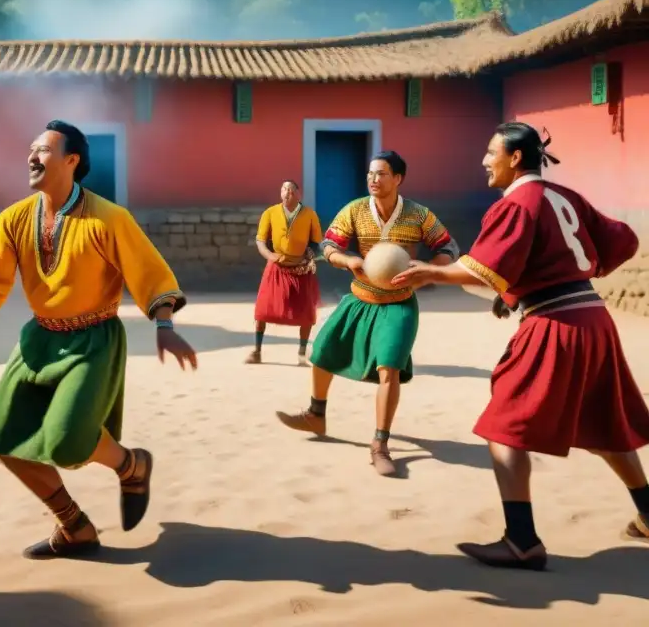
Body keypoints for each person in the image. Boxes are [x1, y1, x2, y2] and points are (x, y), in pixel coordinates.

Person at [0, 120, 197, 560]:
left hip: (93, 340)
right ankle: (74, 527)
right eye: (30, 148)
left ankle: (132, 465)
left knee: (68, 442)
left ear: (72, 161)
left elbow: (148, 273)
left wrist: (164, 326)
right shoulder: (15, 218)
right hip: (38, 342)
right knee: (2, 440)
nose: (32, 156)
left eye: (43, 150)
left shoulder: (109, 218)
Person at [390, 122, 649, 569]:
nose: (485, 161)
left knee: (503, 426)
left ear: (515, 158)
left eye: (492, 153)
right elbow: (623, 240)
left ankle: (522, 540)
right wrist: (530, 286)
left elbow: (479, 269)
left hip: (554, 326)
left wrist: (428, 271)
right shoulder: (564, 196)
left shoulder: (515, 204)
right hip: (593, 318)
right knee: (603, 422)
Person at [275, 150, 459, 476]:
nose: (373, 180)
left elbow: (448, 247)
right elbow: (329, 246)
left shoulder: (418, 215)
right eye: (370, 174)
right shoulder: (355, 210)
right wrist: (349, 261)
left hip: (399, 303)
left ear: (398, 178)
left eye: (381, 174)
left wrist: (430, 270)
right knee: (322, 351)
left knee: (389, 368)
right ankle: (316, 415)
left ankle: (380, 444)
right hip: (360, 299)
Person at [245, 180, 322, 366]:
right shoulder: (270, 213)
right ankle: (257, 351)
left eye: (290, 189)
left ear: (298, 194)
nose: (286, 192)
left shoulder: (310, 215)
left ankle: (302, 354)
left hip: (301, 268)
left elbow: (316, 242)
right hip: (276, 267)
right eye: (283, 189)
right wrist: (270, 255)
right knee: (262, 310)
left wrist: (310, 256)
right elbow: (260, 241)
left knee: (306, 312)